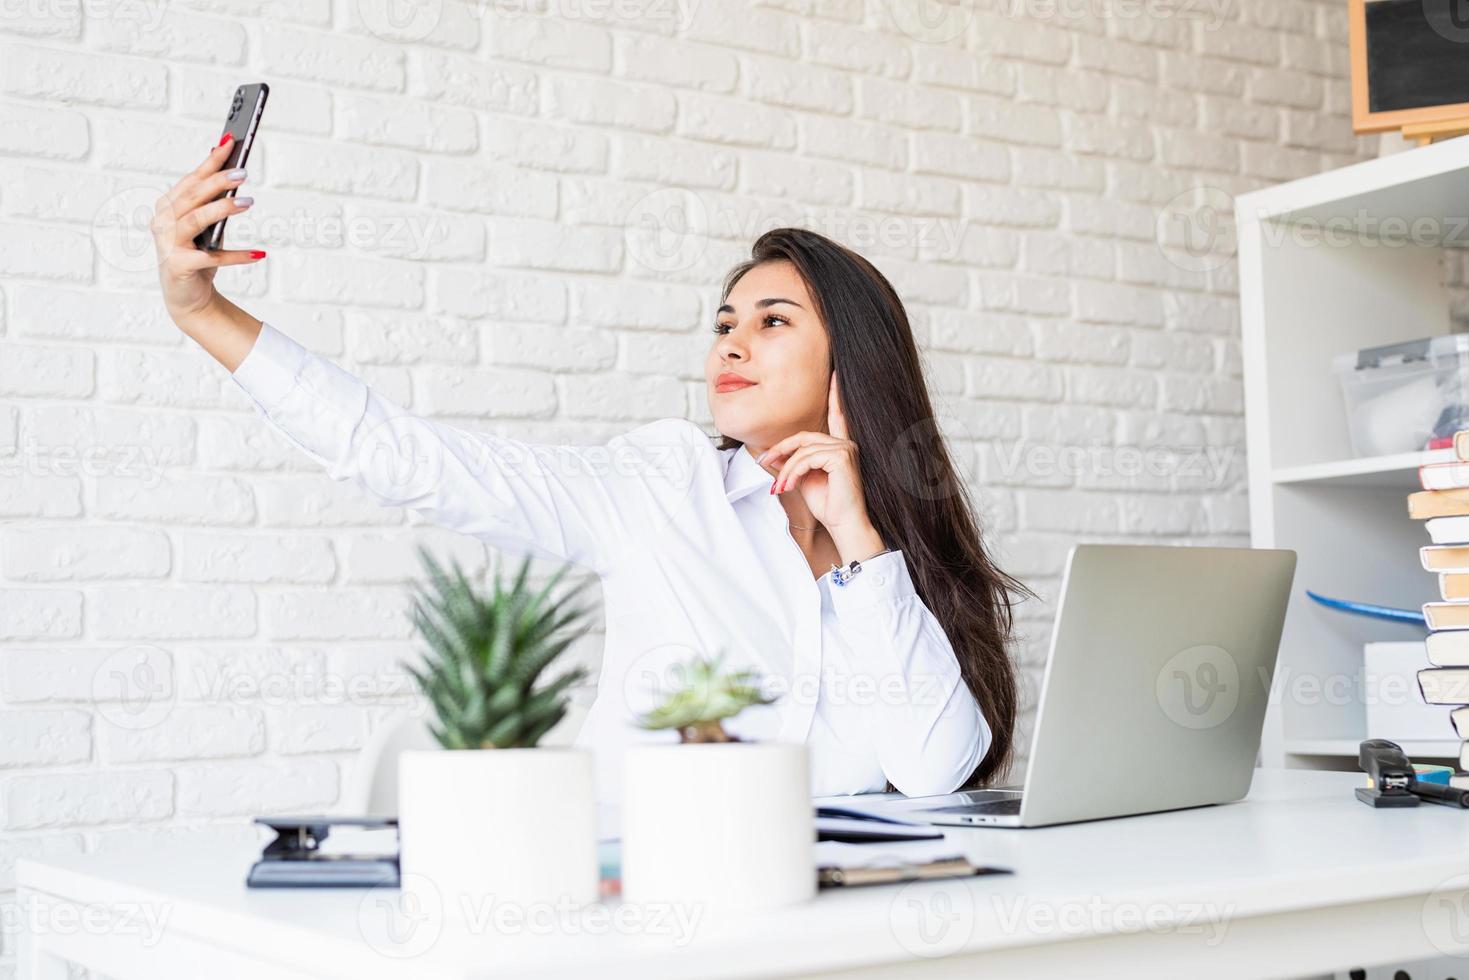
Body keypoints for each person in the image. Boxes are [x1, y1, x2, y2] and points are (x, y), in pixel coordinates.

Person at [150, 137, 1032, 829]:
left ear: (855, 362)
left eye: (772, 322)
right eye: (725, 323)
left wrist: (861, 546)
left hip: (831, 926)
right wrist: (204, 312)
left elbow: (932, 772)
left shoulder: (891, 559)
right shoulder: (659, 489)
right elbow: (406, 459)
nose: (729, 344)